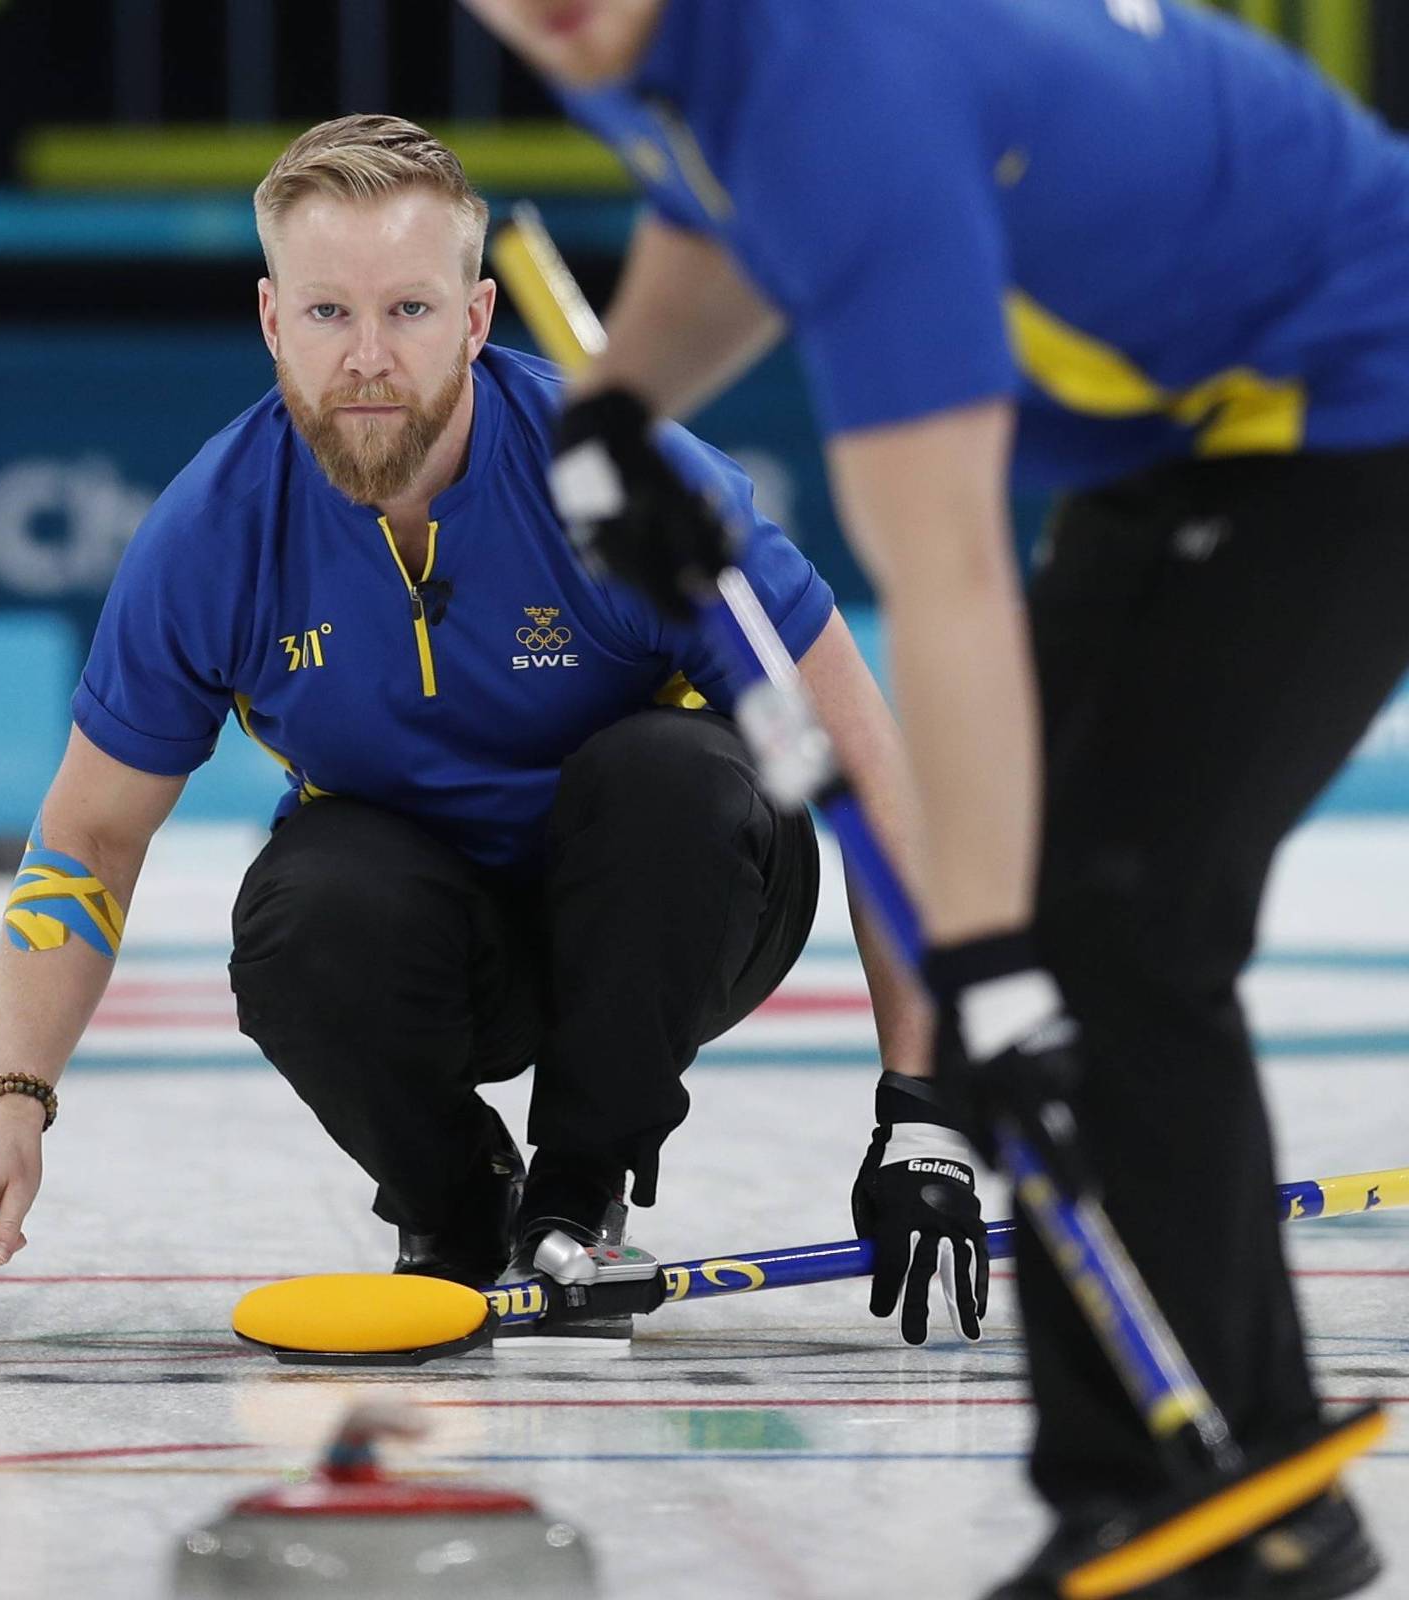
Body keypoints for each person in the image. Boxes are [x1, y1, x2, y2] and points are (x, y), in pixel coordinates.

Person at [457, 0, 1404, 1592]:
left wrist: (980, 964)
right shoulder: (628, 40)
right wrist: (622, 400)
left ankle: (1255, 1493)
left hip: (1356, 388)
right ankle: (1134, 1493)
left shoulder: (841, 87)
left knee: (1103, 930)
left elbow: (946, 570)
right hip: (1184, 415)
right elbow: (717, 210)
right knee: (1060, 931)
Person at [0, 115, 975, 1351]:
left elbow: (869, 768)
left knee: (666, 777)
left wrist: (924, 1108)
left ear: (477, 320)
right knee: (304, 911)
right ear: (272, 322)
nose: (367, 358)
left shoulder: (631, 484)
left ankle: (582, 1193)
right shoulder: (211, 534)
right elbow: (90, 840)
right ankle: (458, 1205)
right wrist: (11, 1104)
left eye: (410, 313)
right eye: (327, 315)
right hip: (442, 952)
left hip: (682, 904)